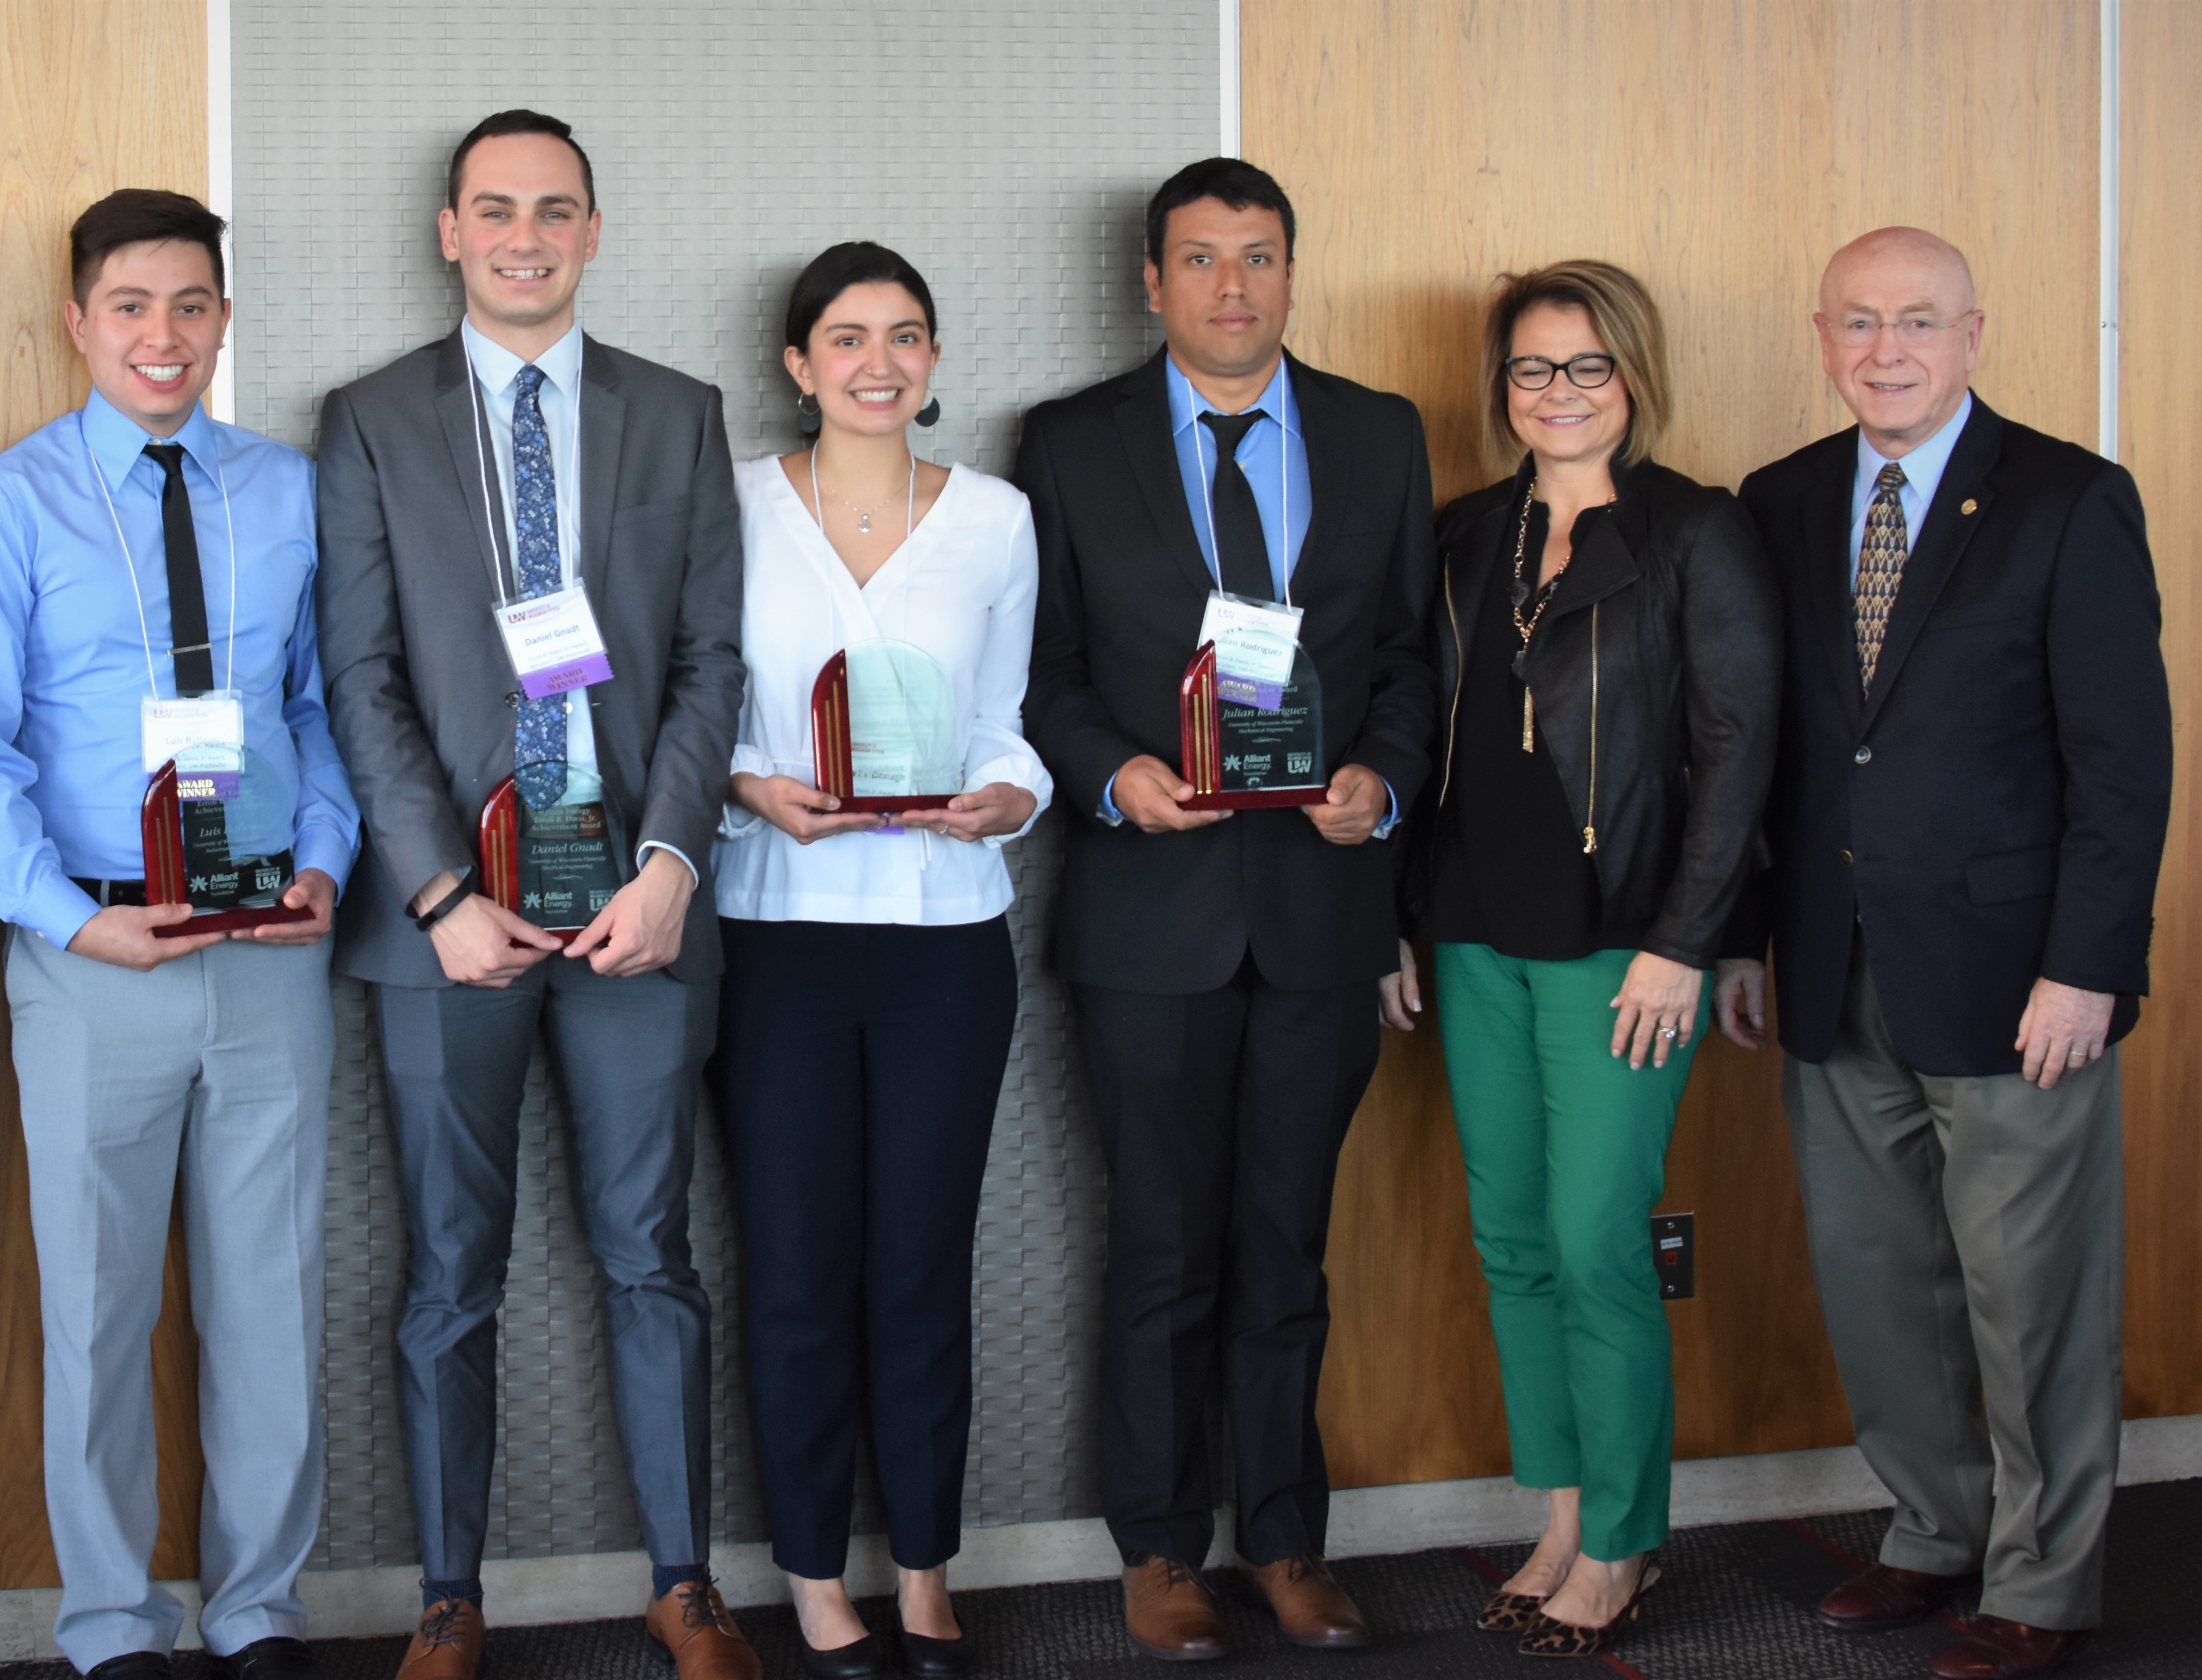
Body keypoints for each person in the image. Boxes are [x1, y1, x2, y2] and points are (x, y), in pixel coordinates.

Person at [314, 110, 757, 1680]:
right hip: (454, 931)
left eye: (553, 210)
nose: (523, 235)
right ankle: (449, 1597)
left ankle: (684, 1586)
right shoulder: (368, 420)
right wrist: (439, 892)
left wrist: (671, 865)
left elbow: (713, 661)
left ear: (590, 229)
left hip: (634, 914)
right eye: (493, 210)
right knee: (449, 1269)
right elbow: (358, 676)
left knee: (651, 1254)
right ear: (449, 231)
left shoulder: (677, 413)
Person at [1720, 227, 2168, 1680]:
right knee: (1877, 1276)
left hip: (2018, 980)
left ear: (1975, 332)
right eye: (1857, 321)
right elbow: (1767, 749)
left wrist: (2088, 965)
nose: (1886, 350)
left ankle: (2039, 1581)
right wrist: (1741, 940)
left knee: (2028, 1297)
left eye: (1916, 321)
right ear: (1821, 332)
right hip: (1830, 963)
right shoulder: (1780, 502)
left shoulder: (2067, 499)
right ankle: (1932, 1530)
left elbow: (2122, 764)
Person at [0, 188, 352, 1680]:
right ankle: (112, 1626)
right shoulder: (6, 502)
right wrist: (60, 922)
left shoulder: (291, 491)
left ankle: (259, 1612)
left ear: (223, 319)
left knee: (270, 1301)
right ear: (77, 320)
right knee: (97, 1307)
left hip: (271, 952)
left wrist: (331, 862)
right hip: (93, 955)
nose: (161, 337)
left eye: (189, 307)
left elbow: (319, 706)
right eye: (129, 308)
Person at [1017, 156, 1436, 1659]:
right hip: (1148, 910)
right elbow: (1043, 669)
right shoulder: (1068, 445)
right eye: (1200, 259)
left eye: (1258, 256)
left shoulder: (1381, 436)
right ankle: (1156, 1549)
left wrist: (1379, 780)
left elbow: (1406, 655)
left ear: (1290, 270)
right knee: (1160, 1250)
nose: (1232, 286)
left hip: (1321, 905)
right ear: (1152, 281)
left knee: (1286, 1243)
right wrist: (1110, 772)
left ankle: (1285, 1540)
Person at [1383, 261, 1777, 1657]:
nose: (1559, 394)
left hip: (1622, 945)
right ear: (1504, 389)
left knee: (1599, 1242)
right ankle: (1558, 1511)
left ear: (1634, 378)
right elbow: (1420, 736)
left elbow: (1738, 762)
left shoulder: (1696, 533)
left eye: (1587, 368)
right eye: (1534, 370)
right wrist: (1396, 919)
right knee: (1510, 1242)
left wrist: (1689, 942)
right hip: (1473, 930)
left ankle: (1622, 1540)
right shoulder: (1464, 532)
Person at [714, 243, 1044, 1680]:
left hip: (944, 942)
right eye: (845, 339)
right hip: (774, 937)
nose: (877, 363)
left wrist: (1011, 794)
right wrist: (744, 782)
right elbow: (688, 708)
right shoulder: (724, 511)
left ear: (931, 358)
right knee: (792, 1273)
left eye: (905, 336)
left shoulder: (995, 520)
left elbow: (1010, 717)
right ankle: (810, 1581)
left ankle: (921, 1572)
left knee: (919, 1271)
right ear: (797, 365)